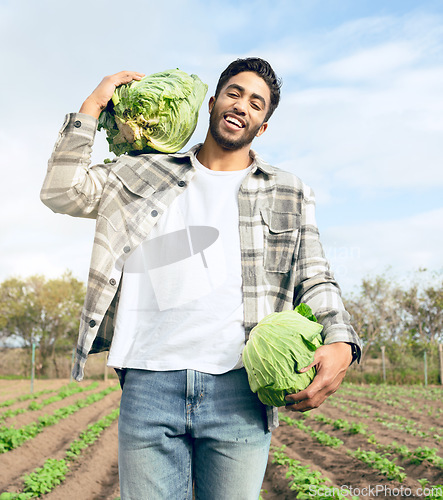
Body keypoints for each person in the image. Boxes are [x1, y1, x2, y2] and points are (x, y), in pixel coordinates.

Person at [41, 58, 362, 500]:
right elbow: (63, 191)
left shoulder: (287, 189)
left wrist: (343, 341)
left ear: (262, 126)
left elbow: (315, 275)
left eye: (256, 102)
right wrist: (93, 106)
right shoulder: (142, 170)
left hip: (239, 390)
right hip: (150, 383)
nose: (241, 105)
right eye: (234, 93)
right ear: (212, 103)